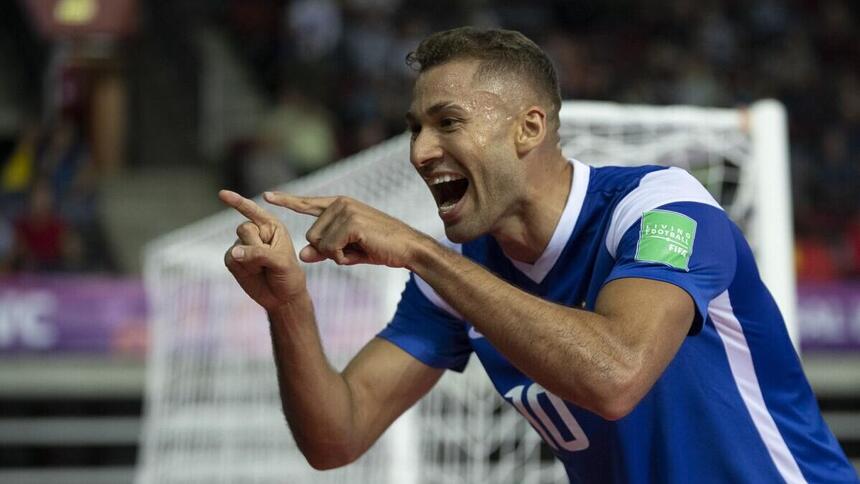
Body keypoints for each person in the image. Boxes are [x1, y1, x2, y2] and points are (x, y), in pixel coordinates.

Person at [220, 27, 857, 483]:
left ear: (529, 128)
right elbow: (338, 436)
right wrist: (289, 305)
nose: (418, 152)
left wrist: (419, 251)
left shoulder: (658, 208)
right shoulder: (457, 274)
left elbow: (615, 376)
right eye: (415, 128)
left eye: (447, 122)